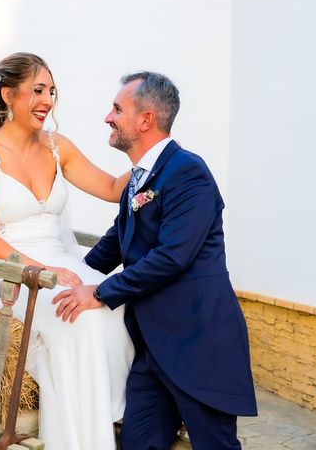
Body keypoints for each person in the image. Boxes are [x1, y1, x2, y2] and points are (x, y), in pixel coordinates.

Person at [54, 72, 258, 449]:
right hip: (152, 349)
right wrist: (67, 278)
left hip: (198, 343)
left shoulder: (187, 172)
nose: (107, 117)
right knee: (139, 443)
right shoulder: (139, 178)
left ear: (146, 119)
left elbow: (172, 256)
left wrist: (98, 293)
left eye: (117, 109)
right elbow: (116, 241)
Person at [0, 52, 134, 450]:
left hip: (59, 259)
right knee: (75, 319)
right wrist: (42, 270)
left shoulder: (58, 147)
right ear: (8, 95)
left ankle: (112, 421)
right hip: (6, 267)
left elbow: (109, 188)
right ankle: (79, 439)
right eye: (38, 90)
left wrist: (153, 160)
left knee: (116, 303)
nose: (48, 100)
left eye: (51, 91)